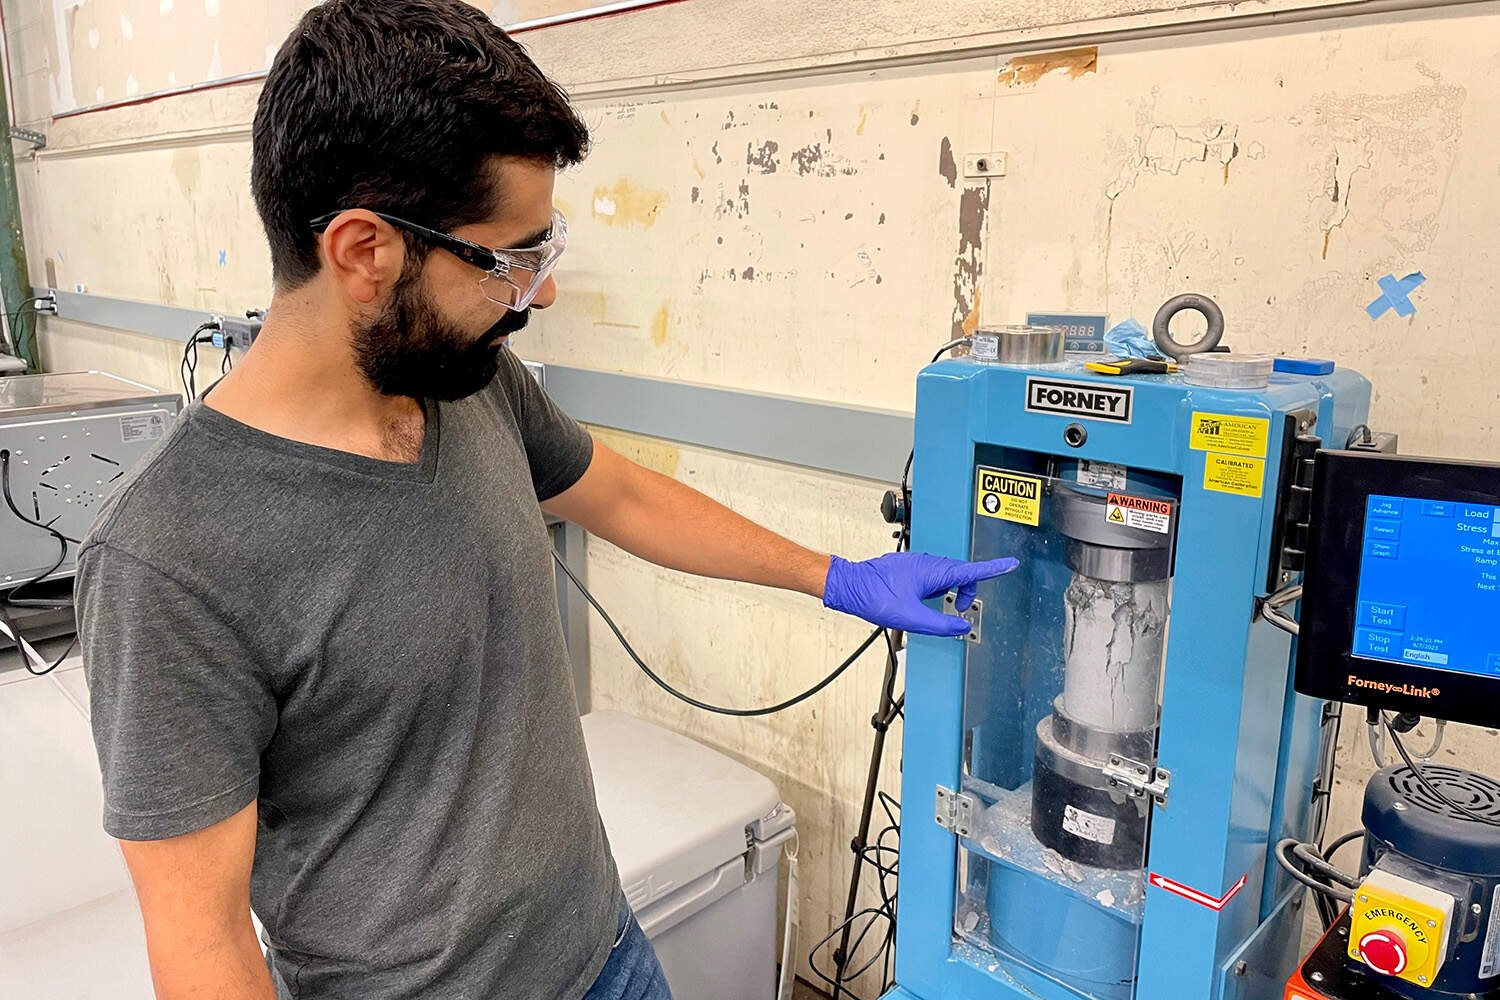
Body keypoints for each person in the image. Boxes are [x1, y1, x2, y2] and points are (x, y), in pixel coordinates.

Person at [75, 2, 1018, 998]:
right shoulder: (169, 562)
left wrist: (837, 576)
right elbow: (201, 943)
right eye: (513, 260)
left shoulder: (470, 381)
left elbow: (622, 494)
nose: (542, 295)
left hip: (607, 948)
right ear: (362, 251)